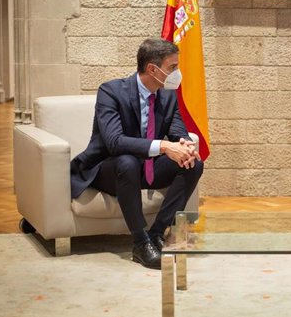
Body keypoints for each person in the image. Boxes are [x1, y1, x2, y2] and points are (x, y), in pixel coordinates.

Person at [70, 38, 204, 269]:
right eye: (173, 67)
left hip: (146, 168)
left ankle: (157, 233)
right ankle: (140, 243)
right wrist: (164, 147)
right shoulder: (111, 91)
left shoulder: (168, 96)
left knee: (193, 163)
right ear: (153, 69)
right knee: (127, 161)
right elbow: (114, 142)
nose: (177, 73)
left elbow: (177, 131)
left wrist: (184, 146)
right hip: (109, 169)